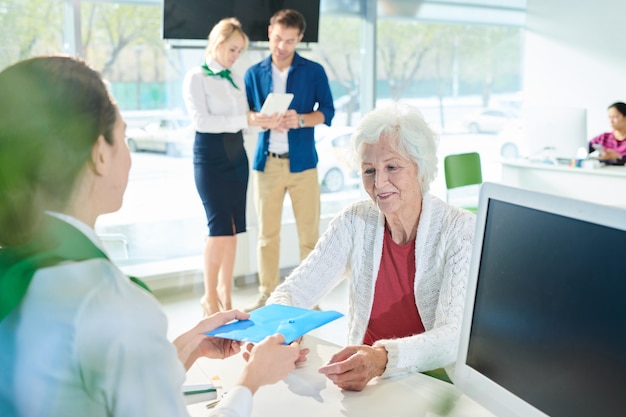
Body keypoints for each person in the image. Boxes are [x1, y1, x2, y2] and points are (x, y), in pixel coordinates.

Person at [0, 55, 306, 417]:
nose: (128, 154)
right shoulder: (110, 301)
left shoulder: (19, 267)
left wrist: (191, 344)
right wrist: (251, 381)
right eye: (123, 137)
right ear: (100, 153)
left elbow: (100, 384)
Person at [267, 103, 476, 391]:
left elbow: (452, 338)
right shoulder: (355, 221)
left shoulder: (460, 230)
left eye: (392, 167)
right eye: (369, 170)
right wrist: (280, 330)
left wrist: (382, 358)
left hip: (436, 387)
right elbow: (292, 291)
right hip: (366, 383)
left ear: (421, 168)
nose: (379, 183)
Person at [182, 18, 281, 316]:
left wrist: (261, 122)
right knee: (219, 228)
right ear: (218, 42)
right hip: (210, 157)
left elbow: (244, 123)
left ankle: (226, 294)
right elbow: (202, 121)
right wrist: (246, 120)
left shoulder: (235, 78)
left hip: (236, 156)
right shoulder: (196, 77)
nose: (236, 56)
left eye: (240, 51)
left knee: (234, 227)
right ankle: (209, 296)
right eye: (233, 49)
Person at [243, 9, 335, 312]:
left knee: (309, 237)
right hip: (267, 165)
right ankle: (267, 294)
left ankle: (309, 297)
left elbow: (328, 112)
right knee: (267, 236)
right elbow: (245, 116)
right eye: (278, 38)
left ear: (299, 40)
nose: (281, 46)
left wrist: (300, 120)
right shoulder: (253, 73)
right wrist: (261, 120)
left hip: (303, 165)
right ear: (270, 31)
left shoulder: (314, 71)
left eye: (290, 41)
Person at [588, 101, 626, 165]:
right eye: (609, 117)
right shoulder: (603, 137)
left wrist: (619, 157)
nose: (611, 121)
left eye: (615, 117)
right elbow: (583, 149)